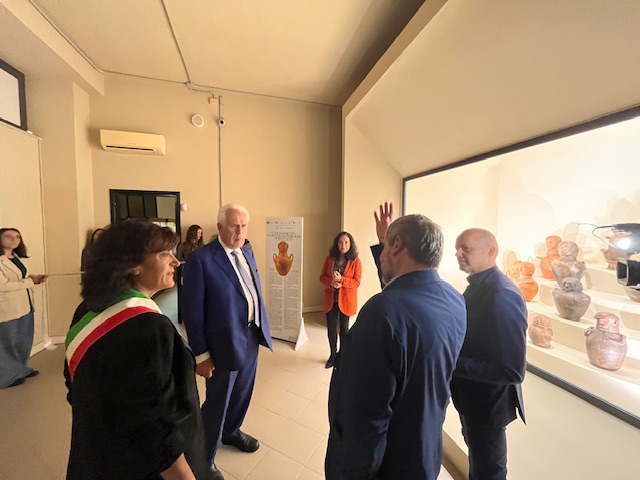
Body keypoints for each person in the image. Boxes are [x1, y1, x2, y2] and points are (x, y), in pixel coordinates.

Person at [64, 219, 215, 480]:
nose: (175, 261)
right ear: (132, 264)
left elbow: (76, 387)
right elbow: (155, 429)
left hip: (96, 451)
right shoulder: (150, 329)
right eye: (164, 254)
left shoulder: (86, 309)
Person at [325, 214, 467, 480]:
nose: (381, 256)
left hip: (388, 464)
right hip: (424, 453)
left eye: (387, 247)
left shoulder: (381, 313)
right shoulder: (454, 299)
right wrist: (384, 240)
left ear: (398, 246)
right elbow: (403, 298)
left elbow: (366, 416)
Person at [182, 204, 272, 480]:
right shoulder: (201, 259)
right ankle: (204, 457)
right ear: (220, 227)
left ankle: (231, 431)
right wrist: (201, 355)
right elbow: (193, 312)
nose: (240, 231)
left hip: (251, 335)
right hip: (222, 343)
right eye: (234, 225)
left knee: (243, 392)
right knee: (217, 402)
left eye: (244, 225)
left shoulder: (247, 251)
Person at [451, 228, 527, 480]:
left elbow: (512, 370)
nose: (458, 254)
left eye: (465, 249)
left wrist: (453, 363)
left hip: (488, 404)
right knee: (480, 463)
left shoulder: (502, 294)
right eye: (457, 249)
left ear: (490, 251)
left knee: (488, 471)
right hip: (474, 400)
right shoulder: (480, 287)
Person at [0, 228, 47, 389]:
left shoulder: (17, 258)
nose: (14, 240)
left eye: (17, 237)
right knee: (7, 342)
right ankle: (8, 376)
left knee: (23, 340)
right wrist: (29, 282)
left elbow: (20, 278)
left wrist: (34, 278)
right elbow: (3, 285)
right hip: (7, 308)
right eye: (8, 236)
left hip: (25, 304)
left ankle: (21, 369)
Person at [319, 231, 362, 368]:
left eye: (346, 242)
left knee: (344, 329)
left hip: (346, 300)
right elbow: (322, 277)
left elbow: (356, 282)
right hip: (331, 299)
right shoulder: (330, 259)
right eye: (340, 242)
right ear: (336, 244)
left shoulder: (356, 261)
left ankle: (343, 356)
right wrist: (331, 282)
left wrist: (341, 280)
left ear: (350, 244)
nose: (343, 245)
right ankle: (333, 354)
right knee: (331, 329)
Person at [176, 225, 204, 323]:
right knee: (188, 296)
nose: (200, 235)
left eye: (201, 233)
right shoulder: (183, 246)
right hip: (186, 273)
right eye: (198, 233)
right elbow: (178, 261)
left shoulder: (202, 246)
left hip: (200, 274)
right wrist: (188, 262)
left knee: (199, 296)